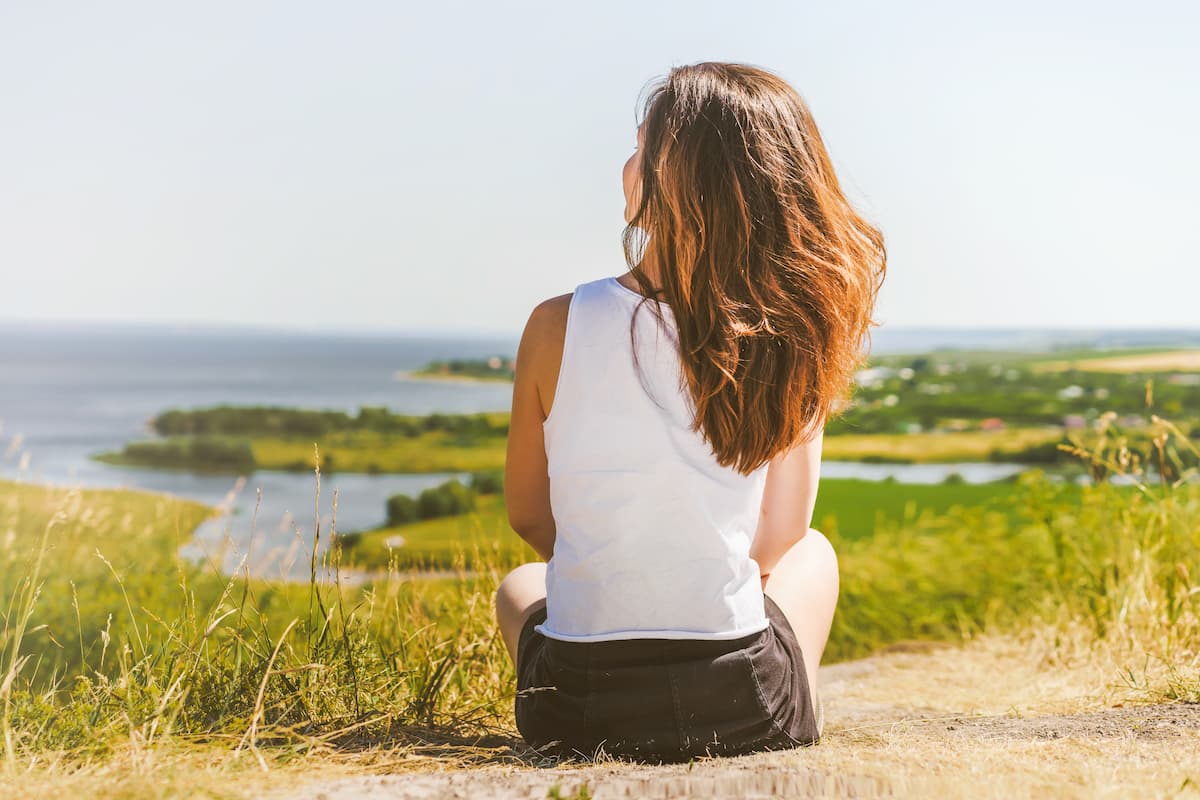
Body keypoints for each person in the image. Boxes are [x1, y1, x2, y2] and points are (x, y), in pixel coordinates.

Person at [495, 61, 886, 764]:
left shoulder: (555, 324)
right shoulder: (791, 331)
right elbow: (779, 541)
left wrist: (621, 566)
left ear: (671, 182)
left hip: (577, 708)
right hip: (738, 704)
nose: (625, 165)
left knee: (519, 588)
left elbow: (529, 514)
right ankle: (796, 709)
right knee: (817, 554)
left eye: (641, 148)